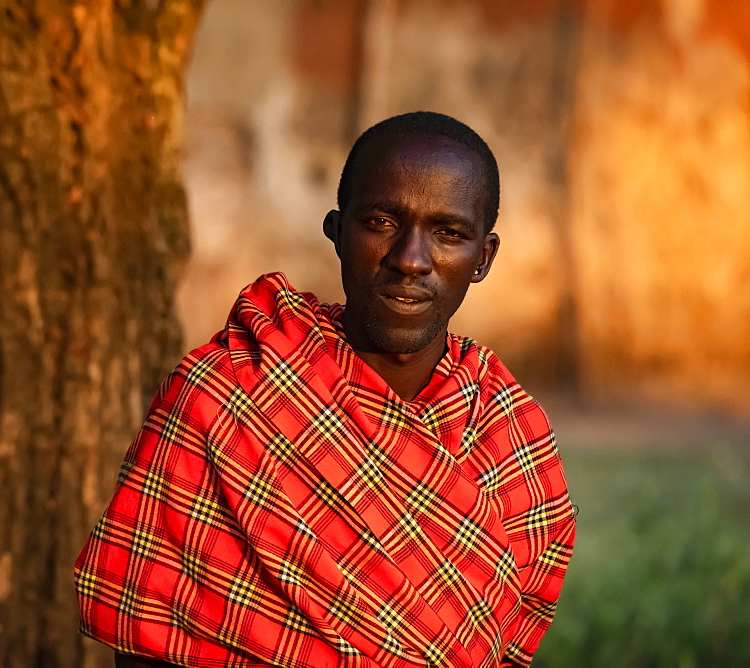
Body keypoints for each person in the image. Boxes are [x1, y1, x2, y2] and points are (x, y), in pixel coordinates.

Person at [75, 112, 576, 667]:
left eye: (448, 233)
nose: (409, 260)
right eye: (382, 222)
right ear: (337, 231)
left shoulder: (512, 436)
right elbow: (149, 640)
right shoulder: (225, 397)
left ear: (483, 257)